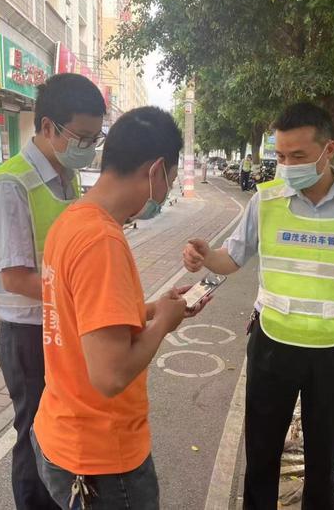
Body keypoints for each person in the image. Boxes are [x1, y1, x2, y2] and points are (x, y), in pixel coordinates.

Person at [183, 102, 334, 510]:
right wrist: (203, 254)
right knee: (262, 454)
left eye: (298, 156)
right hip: (272, 344)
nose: (287, 166)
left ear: (328, 150)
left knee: (323, 459)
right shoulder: (266, 200)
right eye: (280, 156)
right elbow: (231, 258)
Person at [31, 107, 211, 509]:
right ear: (156, 170)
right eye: (171, 178)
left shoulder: (73, 220)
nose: (167, 192)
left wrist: (150, 310)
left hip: (61, 431)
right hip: (101, 460)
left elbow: (86, 315)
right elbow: (110, 376)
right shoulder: (102, 242)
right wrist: (163, 324)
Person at [0, 73, 106, 510]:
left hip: (58, 326)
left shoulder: (66, 176)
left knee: (61, 429)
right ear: (48, 127)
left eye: (94, 137)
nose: (87, 146)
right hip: (28, 335)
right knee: (34, 432)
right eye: (82, 136)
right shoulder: (12, 184)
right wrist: (83, 300)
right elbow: (14, 278)